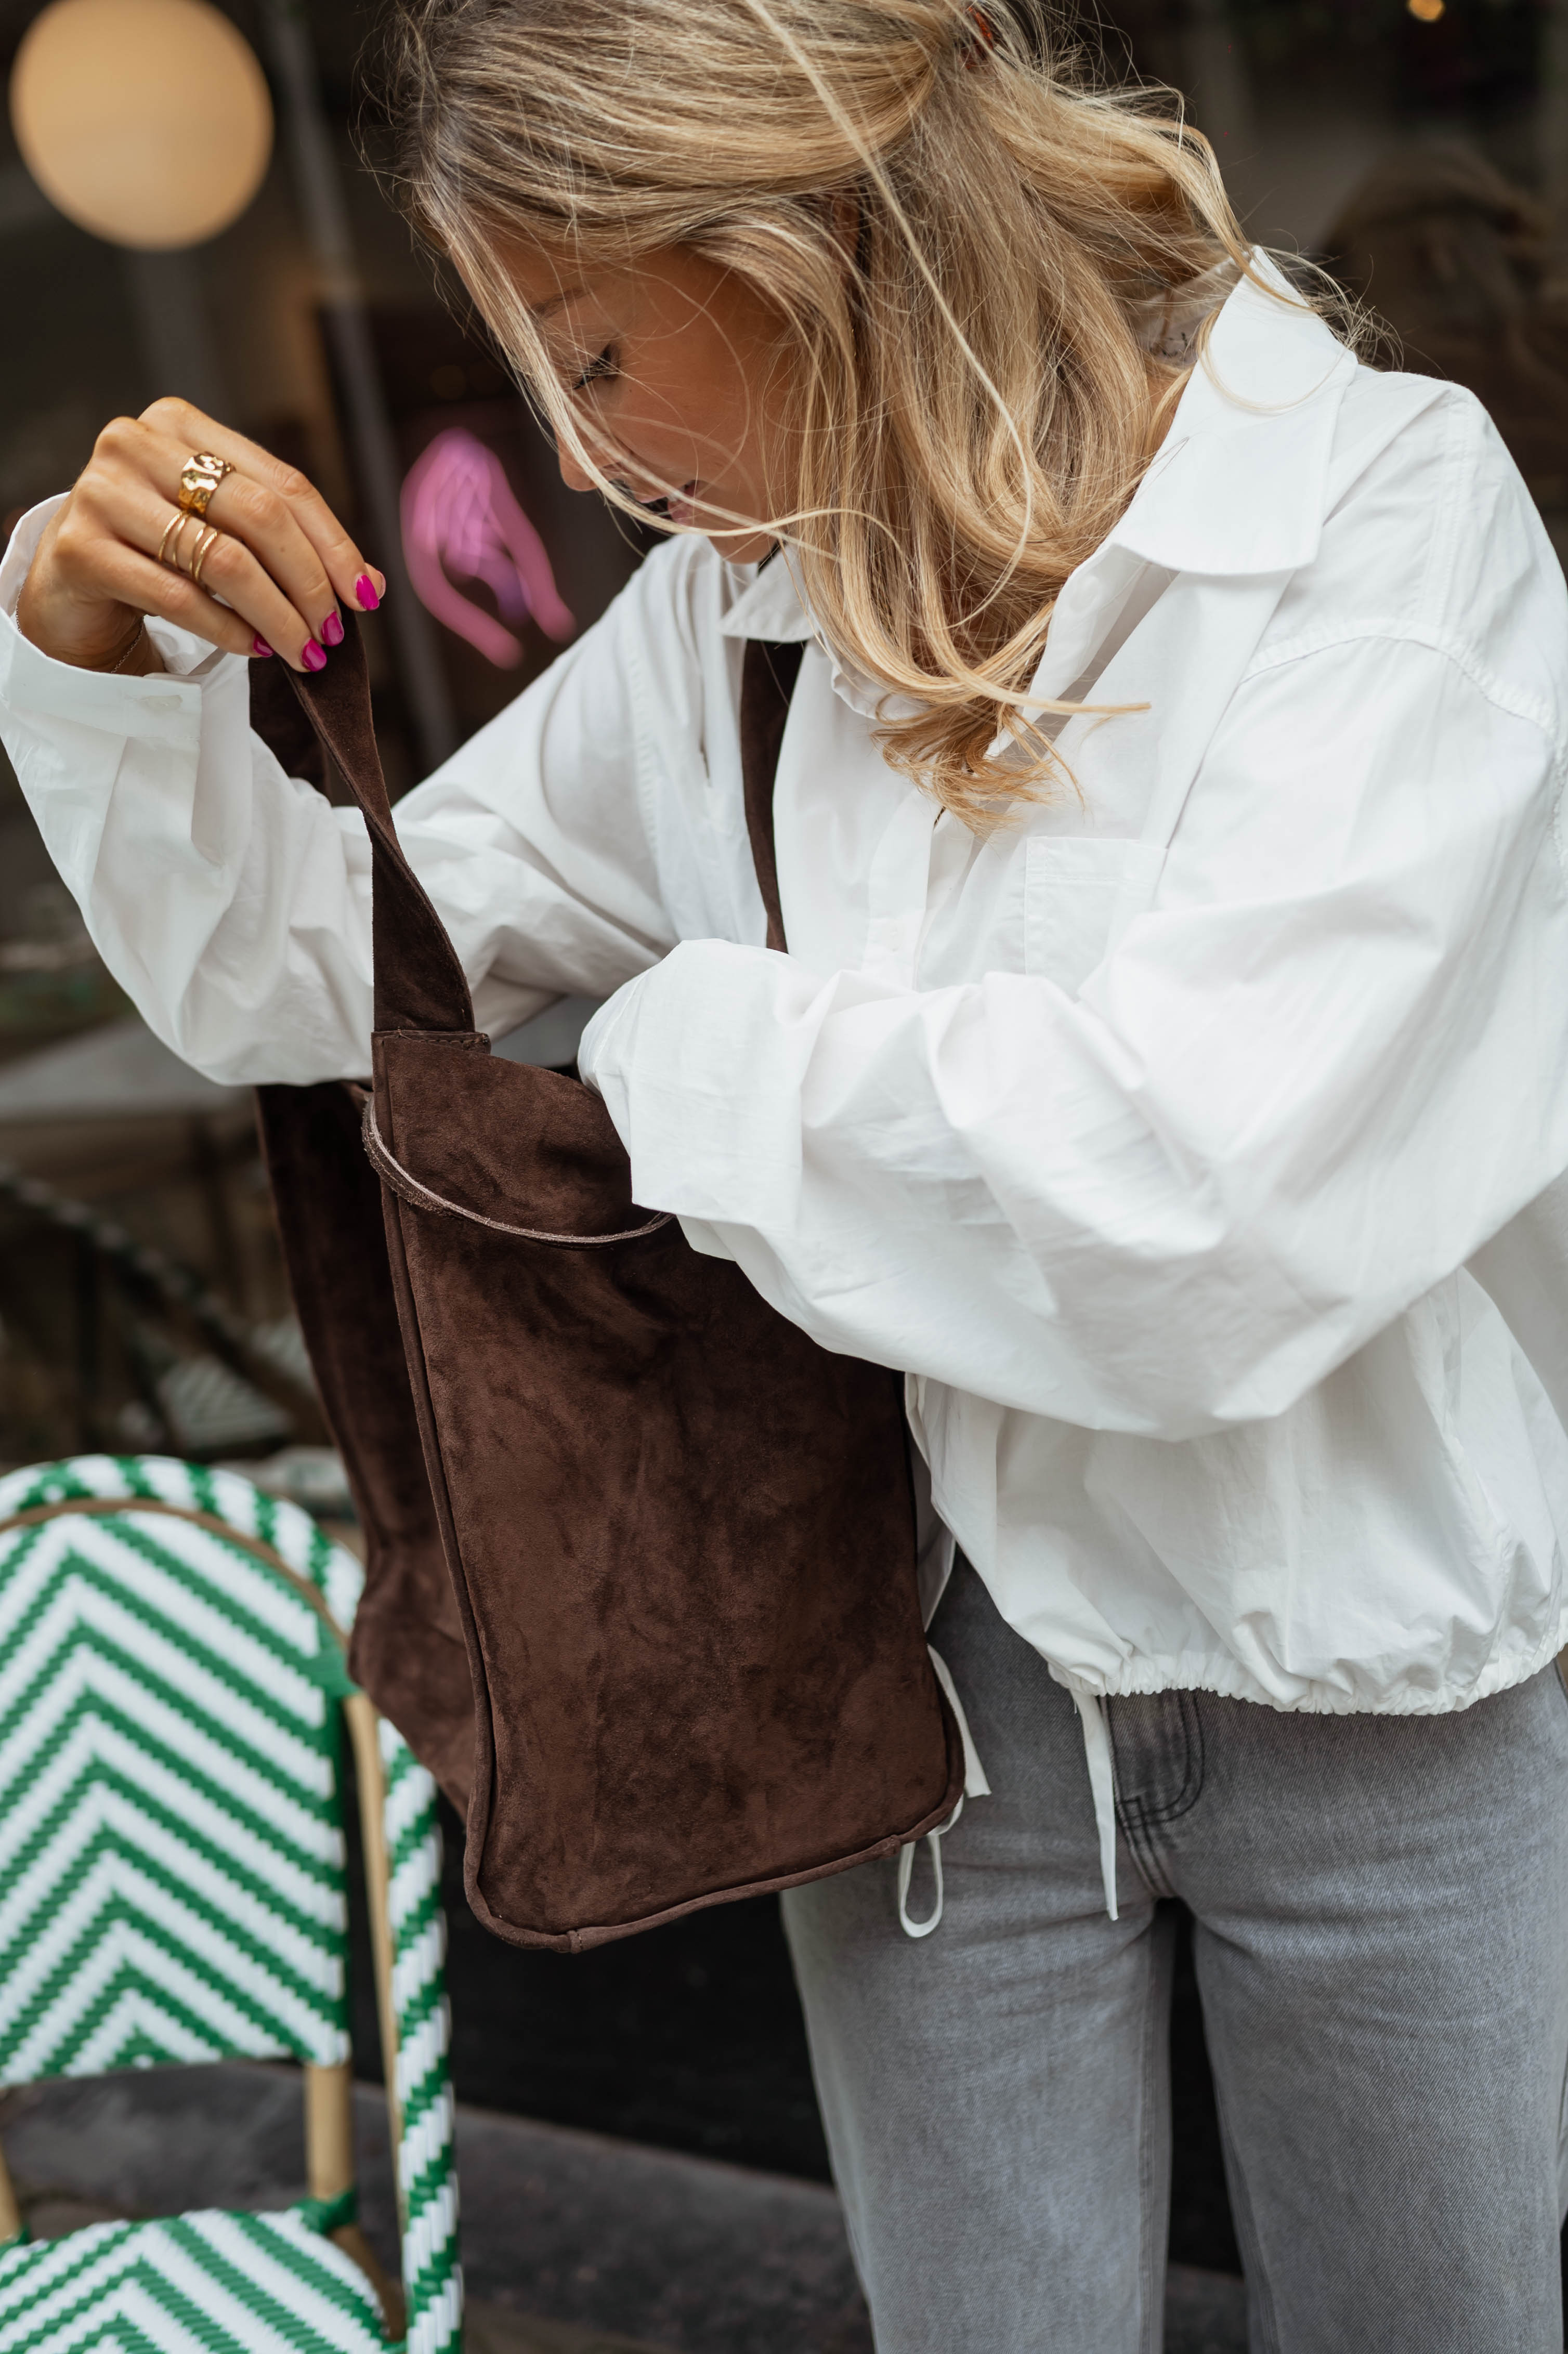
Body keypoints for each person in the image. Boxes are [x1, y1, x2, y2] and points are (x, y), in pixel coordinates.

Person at [3, 2, 1567, 2345]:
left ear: (802, 226)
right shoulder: (738, 618)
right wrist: (88, 638)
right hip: (912, 1702)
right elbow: (327, 978)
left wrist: (666, 1042)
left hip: (1381, 1689)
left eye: (602, 351)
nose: (590, 459)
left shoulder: (1367, 513)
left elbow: (1201, 1212)